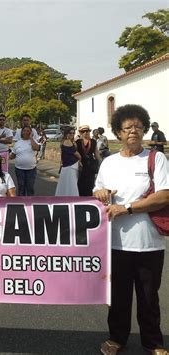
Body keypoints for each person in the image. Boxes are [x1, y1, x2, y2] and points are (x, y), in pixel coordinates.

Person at [93, 104, 169, 355]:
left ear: (145, 129)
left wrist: (126, 208)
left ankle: (153, 342)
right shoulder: (108, 163)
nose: (133, 131)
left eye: (138, 126)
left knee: (149, 297)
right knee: (118, 297)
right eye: (127, 127)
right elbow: (97, 192)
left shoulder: (156, 159)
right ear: (118, 133)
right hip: (114, 243)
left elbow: (163, 197)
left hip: (149, 242)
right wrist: (101, 193)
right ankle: (117, 339)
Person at [10, 126, 40, 196]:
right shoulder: (18, 143)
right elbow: (12, 156)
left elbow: (36, 148)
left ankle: (30, 203)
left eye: (28, 131)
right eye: (24, 131)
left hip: (31, 170)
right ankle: (21, 203)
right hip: (19, 169)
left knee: (30, 188)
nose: (26, 132)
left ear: (31, 132)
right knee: (21, 187)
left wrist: (31, 138)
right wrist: (5, 156)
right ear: (22, 132)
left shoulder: (33, 141)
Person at [76, 124, 101, 196]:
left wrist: (100, 164)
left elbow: (97, 154)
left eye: (87, 131)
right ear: (80, 132)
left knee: (90, 183)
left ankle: (88, 199)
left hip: (90, 164)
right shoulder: (77, 142)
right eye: (83, 131)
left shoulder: (93, 142)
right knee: (80, 182)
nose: (85, 133)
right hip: (81, 164)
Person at [55, 127, 81, 196]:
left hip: (68, 165)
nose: (72, 135)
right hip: (70, 166)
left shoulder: (64, 141)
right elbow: (76, 154)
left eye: (73, 133)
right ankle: (72, 199)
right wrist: (80, 159)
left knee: (65, 184)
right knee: (72, 185)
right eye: (70, 133)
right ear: (66, 134)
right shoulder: (68, 141)